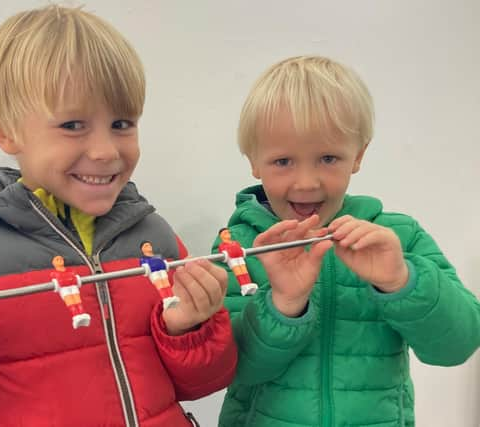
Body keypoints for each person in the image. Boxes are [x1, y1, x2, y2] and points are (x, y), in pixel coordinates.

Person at [0, 5, 236, 426]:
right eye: (73, 125)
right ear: (5, 130)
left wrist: (189, 329)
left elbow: (202, 382)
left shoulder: (154, 237)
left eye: (122, 123)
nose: (106, 151)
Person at [213, 55, 480, 426]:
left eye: (327, 158)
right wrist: (284, 304)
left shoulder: (397, 239)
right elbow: (232, 368)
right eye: (283, 161)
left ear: (358, 155)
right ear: (253, 162)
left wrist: (401, 282)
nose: (307, 182)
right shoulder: (239, 247)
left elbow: (457, 345)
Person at [50, 255, 90, 328]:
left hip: (73, 287)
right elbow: (58, 282)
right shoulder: (54, 273)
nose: (60, 260)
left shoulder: (71, 270)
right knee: (71, 303)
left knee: (78, 302)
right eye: (57, 259)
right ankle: (76, 316)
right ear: (53, 263)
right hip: (64, 289)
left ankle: (82, 314)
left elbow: (75, 278)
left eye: (61, 259)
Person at [139, 241, 180, 309]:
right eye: (146, 246)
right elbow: (144, 268)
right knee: (160, 285)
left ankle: (172, 297)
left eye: (149, 245)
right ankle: (166, 299)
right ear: (142, 249)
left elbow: (164, 262)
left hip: (162, 271)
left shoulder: (158, 256)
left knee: (166, 284)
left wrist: (165, 265)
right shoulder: (143, 259)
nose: (149, 247)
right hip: (154, 273)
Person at [216, 227, 257, 296]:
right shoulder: (222, 245)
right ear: (221, 236)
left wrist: (241, 251)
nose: (228, 234)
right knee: (239, 272)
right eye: (225, 233)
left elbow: (240, 250)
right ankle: (244, 286)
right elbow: (224, 254)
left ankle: (249, 284)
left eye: (228, 232)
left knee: (244, 271)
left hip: (240, 258)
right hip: (232, 260)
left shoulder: (235, 243)